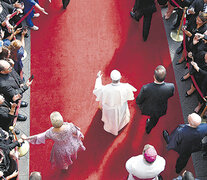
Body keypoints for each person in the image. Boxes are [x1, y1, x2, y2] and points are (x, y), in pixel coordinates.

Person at [21, 111, 86, 170]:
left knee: (62, 160)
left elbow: (38, 137)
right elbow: (77, 132)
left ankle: (65, 167)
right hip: (72, 144)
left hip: (60, 150)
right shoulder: (69, 126)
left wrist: (26, 138)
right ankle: (72, 157)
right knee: (72, 152)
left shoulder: (50, 133)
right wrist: (81, 136)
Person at [93, 70, 137, 136]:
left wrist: (98, 78)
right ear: (120, 77)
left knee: (111, 119)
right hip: (121, 107)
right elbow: (129, 96)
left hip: (110, 109)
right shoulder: (125, 87)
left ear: (111, 78)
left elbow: (97, 89)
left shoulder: (105, 89)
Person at [136, 65, 175, 134]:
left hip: (147, 107)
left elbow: (139, 100)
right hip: (160, 109)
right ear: (165, 77)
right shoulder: (171, 86)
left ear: (154, 76)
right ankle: (148, 129)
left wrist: (139, 104)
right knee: (154, 120)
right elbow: (171, 95)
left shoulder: (146, 88)